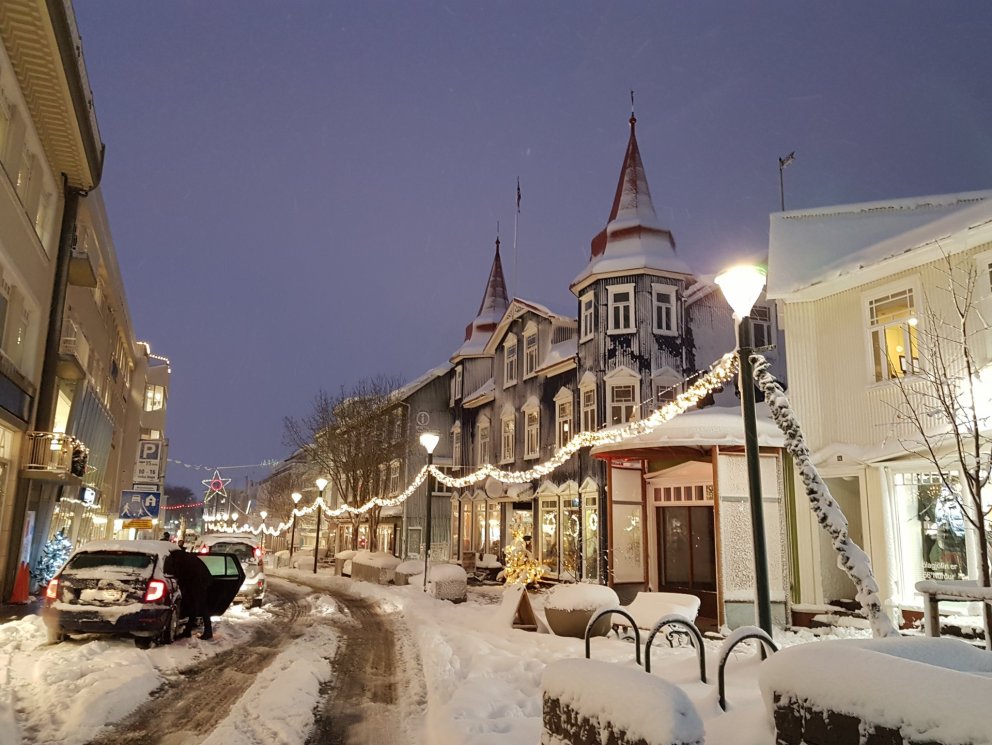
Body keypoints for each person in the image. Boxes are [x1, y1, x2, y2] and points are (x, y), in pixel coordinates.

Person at [163, 549, 214, 640]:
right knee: (193, 606)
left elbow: (179, 575)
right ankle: (188, 631)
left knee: (200, 605)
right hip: (198, 580)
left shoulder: (178, 560)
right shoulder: (182, 557)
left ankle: (208, 631)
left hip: (198, 581)